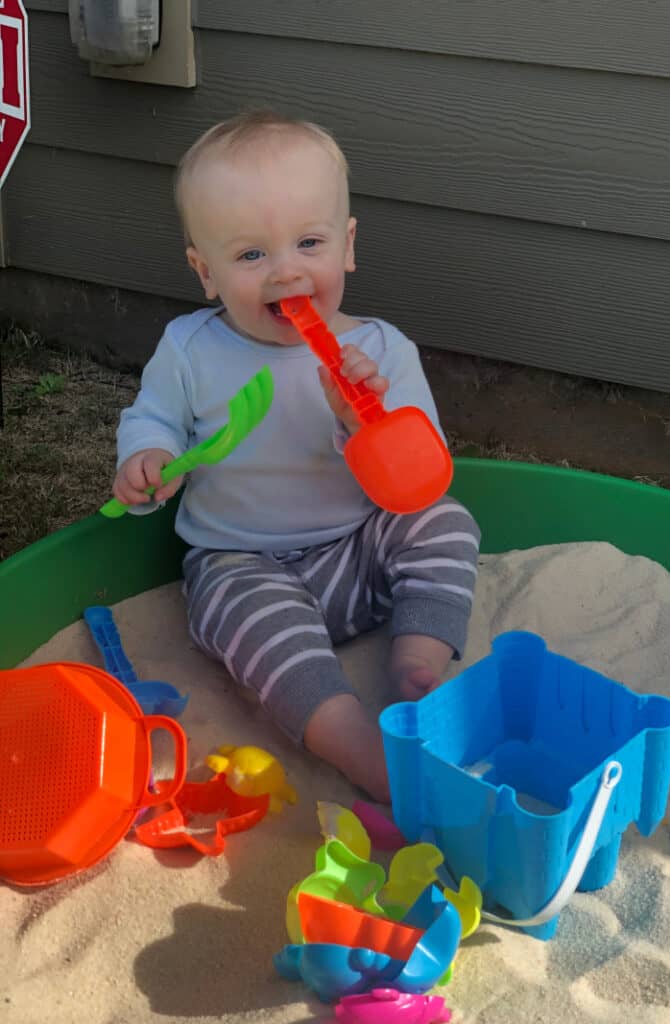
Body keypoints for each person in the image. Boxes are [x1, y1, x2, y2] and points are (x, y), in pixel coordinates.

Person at [112, 110, 480, 801]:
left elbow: (415, 479)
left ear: (346, 247)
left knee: (447, 522)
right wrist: (148, 456)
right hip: (243, 560)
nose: (286, 272)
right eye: (251, 255)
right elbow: (152, 416)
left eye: (308, 243)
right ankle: (352, 741)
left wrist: (362, 422)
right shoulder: (191, 350)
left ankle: (419, 659)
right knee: (247, 618)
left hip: (357, 548)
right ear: (206, 272)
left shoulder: (382, 351)